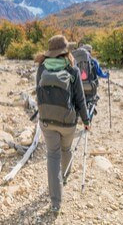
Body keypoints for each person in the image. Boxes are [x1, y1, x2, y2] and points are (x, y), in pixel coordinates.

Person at [35, 35, 89, 215]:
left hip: (47, 120)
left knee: (52, 156)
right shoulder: (72, 69)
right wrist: (86, 120)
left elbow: (38, 91)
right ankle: (65, 177)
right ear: (66, 51)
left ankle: (55, 202)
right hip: (67, 122)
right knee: (66, 150)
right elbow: (80, 98)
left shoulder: (42, 67)